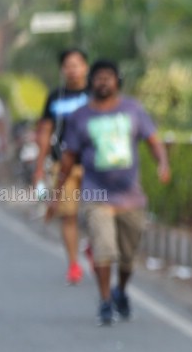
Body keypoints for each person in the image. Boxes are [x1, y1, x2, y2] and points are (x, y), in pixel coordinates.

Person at [57, 59, 170, 325]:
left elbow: (154, 141)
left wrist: (163, 163)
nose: (103, 81)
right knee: (103, 250)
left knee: (128, 259)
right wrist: (57, 192)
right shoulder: (80, 116)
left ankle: (121, 290)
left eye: (108, 77)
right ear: (91, 82)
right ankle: (105, 300)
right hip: (96, 195)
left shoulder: (133, 110)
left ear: (118, 81)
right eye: (98, 77)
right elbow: (69, 156)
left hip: (130, 197)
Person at [34, 49, 91, 285]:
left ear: (85, 67)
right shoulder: (55, 97)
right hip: (63, 165)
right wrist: (39, 167)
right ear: (62, 69)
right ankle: (73, 264)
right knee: (68, 216)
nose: (73, 69)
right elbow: (45, 132)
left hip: (92, 164)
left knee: (100, 212)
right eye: (68, 65)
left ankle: (93, 246)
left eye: (77, 64)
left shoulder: (95, 94)